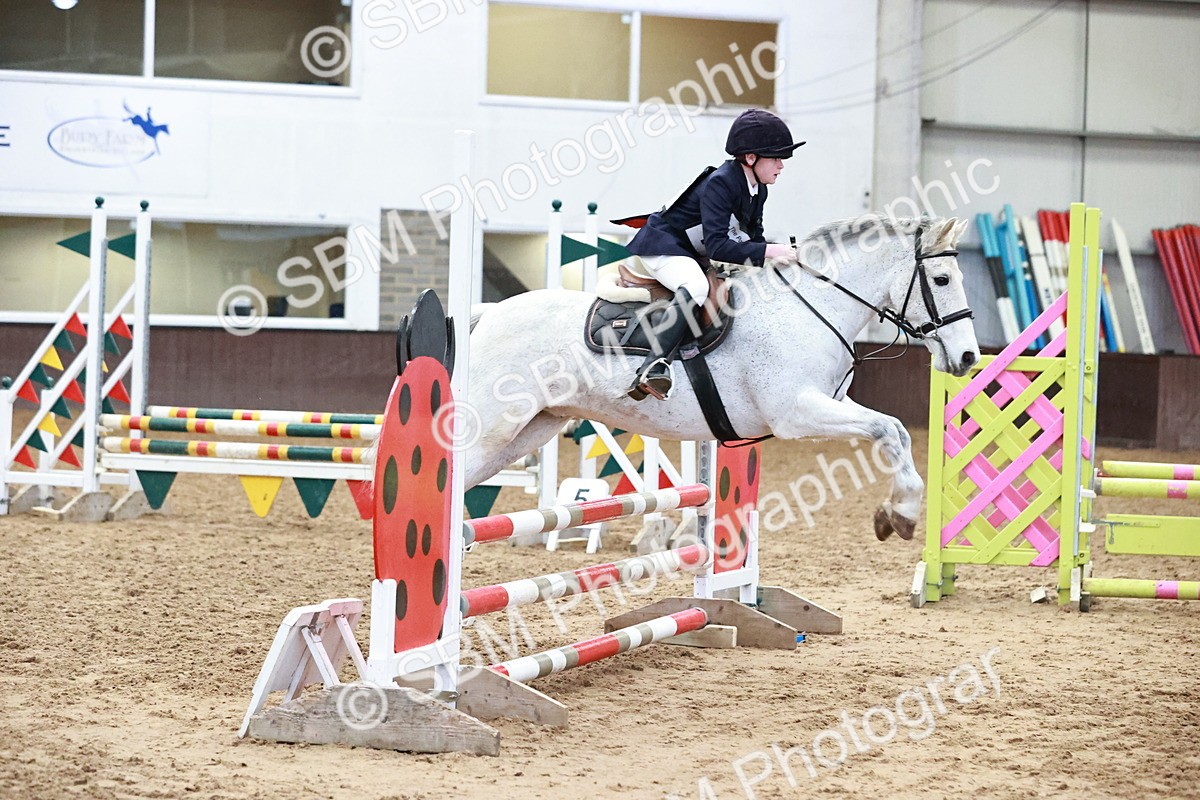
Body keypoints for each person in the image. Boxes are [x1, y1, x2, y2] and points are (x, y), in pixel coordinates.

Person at [623, 108, 803, 401]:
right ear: (750, 157)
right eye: (776, 158)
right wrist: (774, 251)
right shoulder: (721, 182)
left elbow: (753, 241)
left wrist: (777, 257)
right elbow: (720, 246)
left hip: (694, 253)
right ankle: (653, 366)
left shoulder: (757, 189)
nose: (781, 166)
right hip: (664, 246)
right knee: (696, 286)